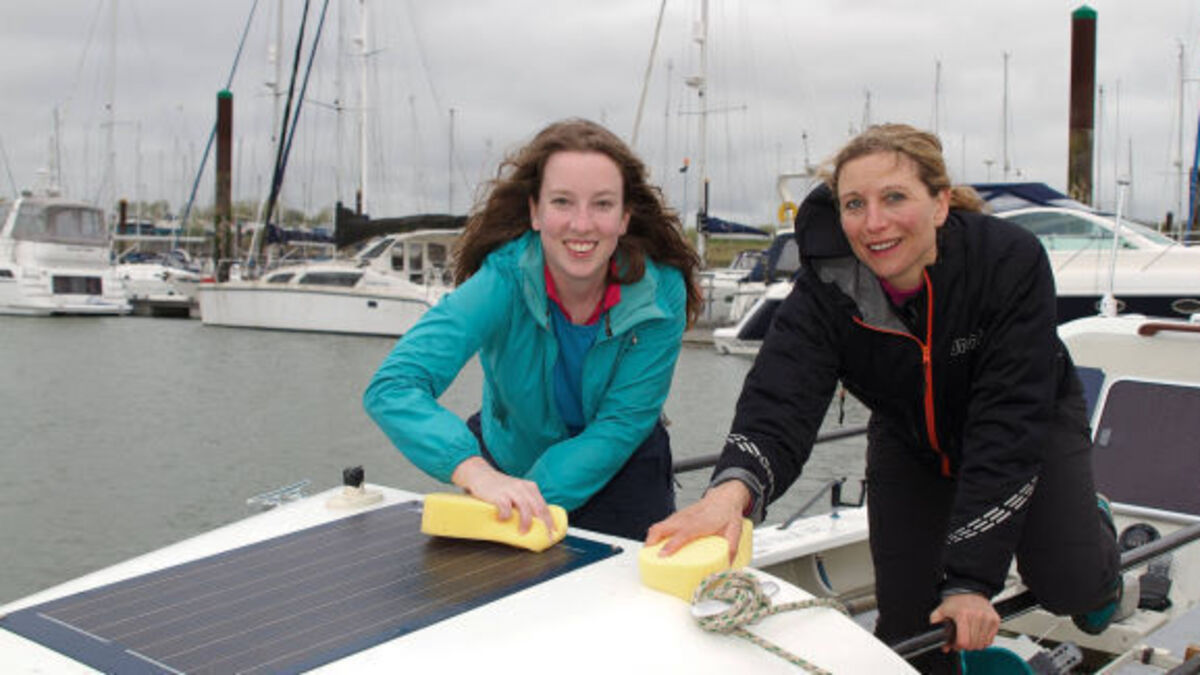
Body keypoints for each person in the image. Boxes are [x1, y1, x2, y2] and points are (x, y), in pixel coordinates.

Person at [646, 123, 1120, 672]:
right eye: (854, 204)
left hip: (1028, 422)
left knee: (1071, 588)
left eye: (894, 197)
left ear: (940, 203)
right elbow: (780, 398)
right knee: (911, 628)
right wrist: (730, 495)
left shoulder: (1007, 261)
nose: (873, 223)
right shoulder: (827, 286)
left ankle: (1095, 526)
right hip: (910, 435)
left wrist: (970, 582)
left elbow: (1007, 425)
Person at [364, 118, 702, 541]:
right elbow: (394, 386)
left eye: (602, 204)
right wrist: (477, 474)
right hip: (508, 464)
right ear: (535, 212)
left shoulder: (662, 291)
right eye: (562, 202)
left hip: (622, 469)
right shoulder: (500, 281)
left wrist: (530, 501)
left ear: (624, 217)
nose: (582, 224)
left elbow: (620, 423)